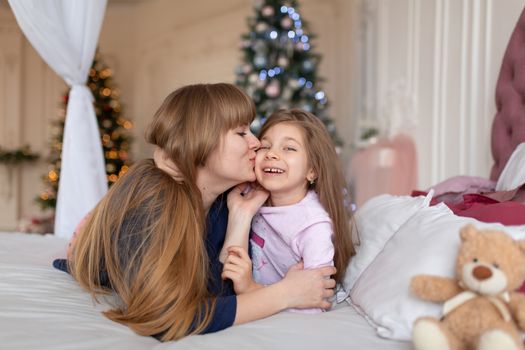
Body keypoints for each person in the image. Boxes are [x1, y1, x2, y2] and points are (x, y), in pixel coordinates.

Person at [57, 84, 336, 341]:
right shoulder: (152, 202)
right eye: (241, 133)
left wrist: (240, 217)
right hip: (95, 249)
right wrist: (285, 294)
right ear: (199, 142)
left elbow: (219, 292)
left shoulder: (233, 196)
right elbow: (165, 316)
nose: (256, 143)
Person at [221, 108, 354, 313]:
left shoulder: (312, 228)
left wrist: (251, 288)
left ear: (312, 170)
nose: (272, 154)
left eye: (289, 149)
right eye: (265, 146)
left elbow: (313, 303)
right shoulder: (248, 194)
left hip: (279, 312)